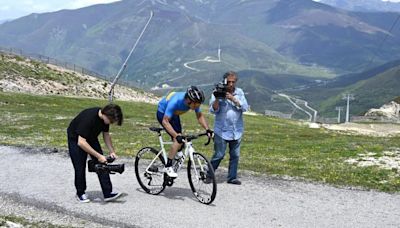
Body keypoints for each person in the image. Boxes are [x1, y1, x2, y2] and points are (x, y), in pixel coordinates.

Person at [67, 103, 123, 203]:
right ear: (106, 115)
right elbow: (81, 142)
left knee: (102, 164)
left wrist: (112, 151)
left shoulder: (105, 120)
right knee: (80, 165)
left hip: (91, 138)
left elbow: (106, 135)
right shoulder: (89, 118)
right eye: (111, 121)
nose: (111, 123)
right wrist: (98, 156)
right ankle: (80, 193)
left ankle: (107, 193)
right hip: (76, 139)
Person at [157, 86, 213, 178]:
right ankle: (168, 166)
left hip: (174, 114)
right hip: (163, 113)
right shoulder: (175, 102)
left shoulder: (194, 102)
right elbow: (165, 121)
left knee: (180, 142)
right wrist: (176, 136)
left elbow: (199, 116)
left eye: (198, 104)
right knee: (178, 138)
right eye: (195, 104)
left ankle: (176, 154)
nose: (196, 107)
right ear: (188, 100)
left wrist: (207, 129)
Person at [209, 71, 249, 185]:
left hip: (236, 130)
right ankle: (208, 174)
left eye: (233, 82)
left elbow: (245, 107)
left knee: (235, 155)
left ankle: (232, 177)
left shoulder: (239, 92)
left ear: (236, 82)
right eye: (229, 82)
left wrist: (233, 99)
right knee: (219, 154)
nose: (231, 84)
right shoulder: (218, 91)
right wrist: (217, 98)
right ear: (225, 81)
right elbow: (213, 110)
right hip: (221, 130)